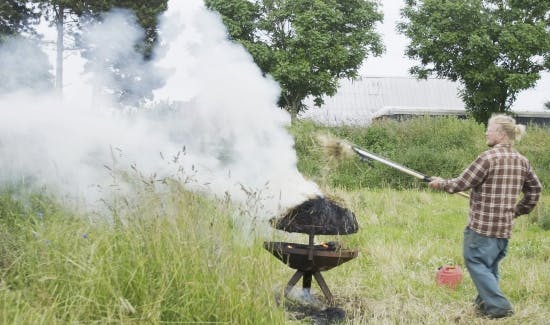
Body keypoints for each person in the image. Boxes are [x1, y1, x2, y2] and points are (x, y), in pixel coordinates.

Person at [428, 114, 542, 319]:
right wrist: (517, 211)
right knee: (489, 267)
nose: (486, 132)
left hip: (482, 230)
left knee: (475, 262)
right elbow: (535, 190)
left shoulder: (488, 158)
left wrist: (440, 183)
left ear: (500, 133)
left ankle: (499, 307)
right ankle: (483, 307)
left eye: (489, 128)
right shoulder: (522, 161)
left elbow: (459, 184)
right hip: (503, 230)